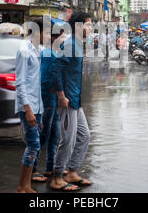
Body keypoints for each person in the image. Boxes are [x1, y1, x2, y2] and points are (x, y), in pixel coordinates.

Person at [49, 12, 93, 192]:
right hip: (67, 100)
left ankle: (72, 171)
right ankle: (57, 177)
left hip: (75, 99)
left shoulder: (78, 44)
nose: (90, 28)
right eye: (88, 25)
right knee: (67, 140)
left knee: (84, 135)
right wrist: (61, 95)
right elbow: (55, 70)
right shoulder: (70, 44)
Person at [16, 20, 45, 193]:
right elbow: (20, 83)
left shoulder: (38, 50)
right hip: (28, 106)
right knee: (33, 145)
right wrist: (27, 109)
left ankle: (26, 185)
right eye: (46, 33)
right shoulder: (24, 50)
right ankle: (22, 186)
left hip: (38, 105)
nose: (48, 37)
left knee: (34, 144)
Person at [32, 21, 63, 182]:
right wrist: (58, 94)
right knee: (43, 135)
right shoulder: (49, 55)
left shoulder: (53, 54)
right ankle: (34, 169)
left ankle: (51, 167)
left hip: (54, 101)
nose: (64, 39)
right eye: (62, 36)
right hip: (48, 100)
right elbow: (45, 80)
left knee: (54, 136)